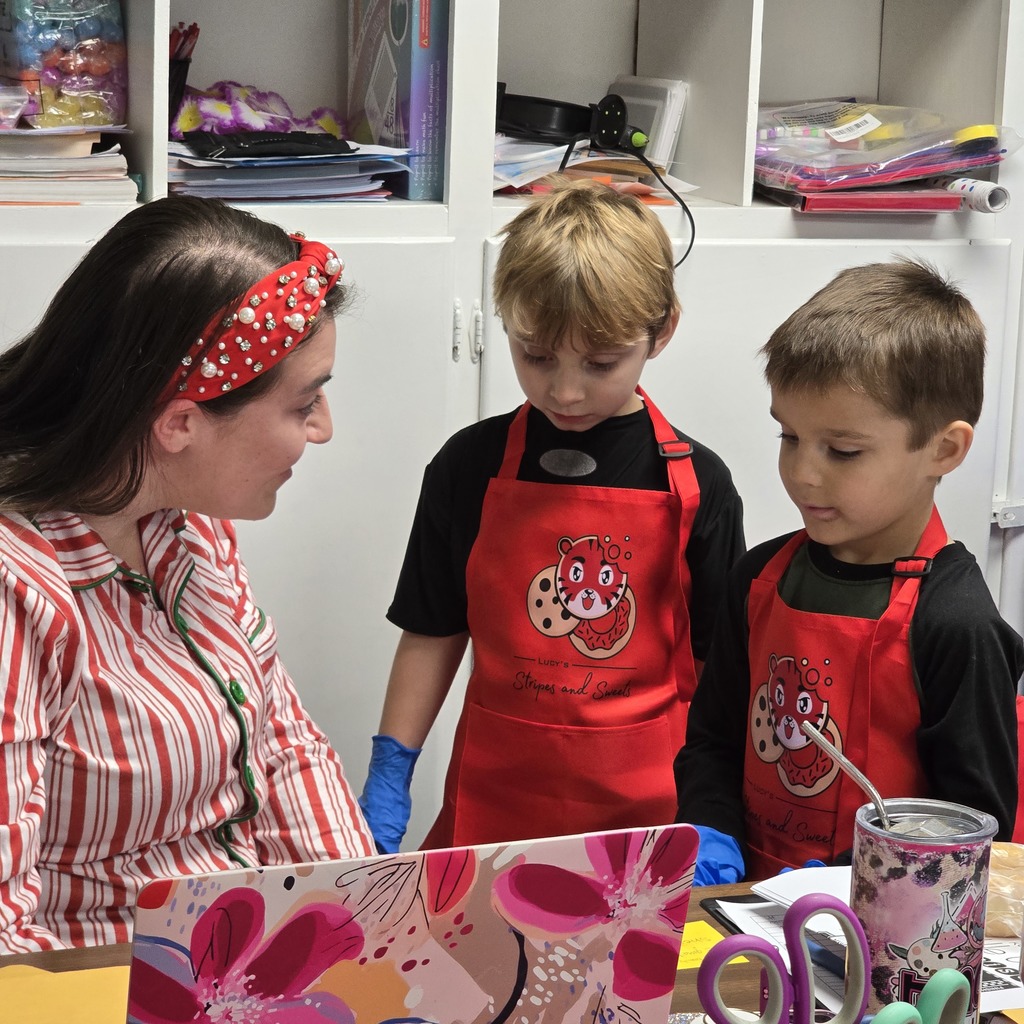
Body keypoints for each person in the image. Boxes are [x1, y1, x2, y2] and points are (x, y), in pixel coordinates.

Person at [0, 196, 373, 953]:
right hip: (104, 980)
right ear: (180, 423)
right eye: (303, 403)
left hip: (245, 960)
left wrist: (368, 928)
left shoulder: (186, 525)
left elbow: (283, 746)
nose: (323, 428)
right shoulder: (20, 591)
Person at [359, 177, 745, 852]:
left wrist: (720, 810)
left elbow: (721, 665)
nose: (564, 391)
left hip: (649, 810)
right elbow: (432, 629)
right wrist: (391, 769)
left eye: (600, 363)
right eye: (535, 356)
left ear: (661, 332)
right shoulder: (468, 466)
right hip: (495, 806)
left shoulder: (697, 484)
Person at [675, 256, 1024, 884]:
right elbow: (712, 740)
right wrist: (709, 828)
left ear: (944, 450)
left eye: (842, 450)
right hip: (742, 902)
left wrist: (838, 882)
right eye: (789, 437)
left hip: (874, 922)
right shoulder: (758, 578)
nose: (803, 473)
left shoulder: (956, 623)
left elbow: (973, 825)